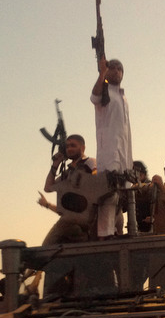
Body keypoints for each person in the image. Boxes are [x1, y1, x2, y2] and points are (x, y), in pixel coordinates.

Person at [91, 57, 133, 239]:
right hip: (109, 151)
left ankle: (117, 230)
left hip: (124, 151)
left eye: (119, 68)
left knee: (123, 195)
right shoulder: (104, 91)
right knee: (108, 194)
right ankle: (105, 234)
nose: (116, 71)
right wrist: (101, 74)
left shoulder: (122, 96)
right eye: (112, 68)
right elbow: (94, 96)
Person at [40, 134, 97, 245]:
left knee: (46, 246)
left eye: (73, 145)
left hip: (86, 215)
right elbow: (48, 188)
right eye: (67, 147)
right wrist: (55, 165)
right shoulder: (68, 172)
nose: (69, 149)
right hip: (73, 218)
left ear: (82, 148)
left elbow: (96, 177)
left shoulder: (89, 162)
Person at [132, 160, 153, 233]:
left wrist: (153, 217)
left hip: (150, 228)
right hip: (138, 227)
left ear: (143, 174)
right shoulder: (132, 189)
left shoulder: (151, 188)